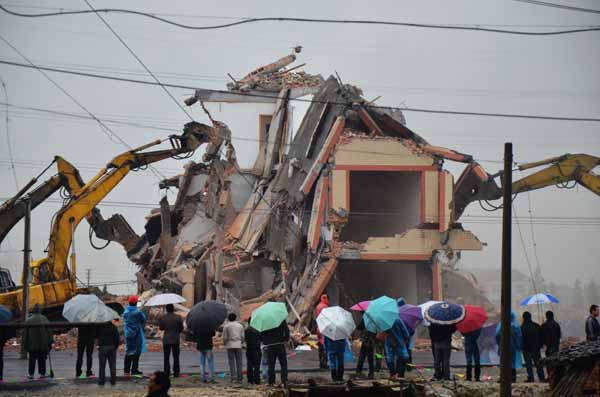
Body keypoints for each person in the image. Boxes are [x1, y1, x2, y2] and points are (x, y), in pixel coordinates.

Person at [22, 304, 53, 379]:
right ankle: (42, 373)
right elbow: (49, 332)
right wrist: (50, 342)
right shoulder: (44, 319)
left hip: (32, 344)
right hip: (43, 344)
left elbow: (25, 334)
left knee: (32, 359)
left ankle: (31, 374)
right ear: (40, 310)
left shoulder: (29, 320)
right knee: (42, 358)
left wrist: (25, 344)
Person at [495, 311, 523, 383]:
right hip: (512, 347)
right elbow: (519, 337)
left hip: (503, 346)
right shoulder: (515, 326)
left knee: (503, 362)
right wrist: (518, 346)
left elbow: (497, 336)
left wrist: (499, 344)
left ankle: (503, 377)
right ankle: (513, 378)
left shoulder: (501, 325)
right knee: (512, 363)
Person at [260, 319, 289, 386]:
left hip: (270, 346)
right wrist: (285, 339)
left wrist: (265, 341)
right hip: (280, 344)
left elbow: (262, 334)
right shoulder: (280, 319)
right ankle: (284, 380)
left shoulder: (266, 321)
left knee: (271, 364)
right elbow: (287, 330)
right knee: (283, 364)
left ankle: (271, 381)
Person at [123, 295, 147, 376]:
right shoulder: (138, 312)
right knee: (137, 352)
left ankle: (126, 371)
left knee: (129, 351)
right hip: (137, 334)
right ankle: (134, 370)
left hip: (128, 334)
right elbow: (144, 319)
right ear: (136, 303)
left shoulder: (125, 312)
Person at [158, 304, 183, 378]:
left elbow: (161, 328)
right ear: (173, 309)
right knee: (176, 357)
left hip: (166, 340)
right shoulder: (178, 317)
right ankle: (176, 372)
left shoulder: (163, 317)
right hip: (175, 339)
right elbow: (181, 329)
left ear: (166, 309)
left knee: (166, 357)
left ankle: (167, 372)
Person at [521, 311, 545, 382]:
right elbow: (541, 337)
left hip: (527, 349)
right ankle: (542, 377)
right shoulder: (536, 326)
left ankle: (531, 378)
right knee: (538, 364)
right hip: (536, 349)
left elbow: (521, 339)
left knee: (529, 365)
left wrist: (522, 347)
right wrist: (540, 345)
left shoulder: (522, 327)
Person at [97, 318, 120, 386]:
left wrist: (99, 345)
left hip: (102, 348)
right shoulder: (113, 327)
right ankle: (113, 381)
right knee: (112, 365)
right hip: (112, 347)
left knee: (102, 366)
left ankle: (101, 381)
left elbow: (96, 336)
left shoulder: (100, 327)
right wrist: (115, 347)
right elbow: (117, 339)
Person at [223, 312, 245, 383]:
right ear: (235, 318)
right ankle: (240, 378)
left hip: (230, 345)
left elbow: (225, 337)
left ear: (228, 318)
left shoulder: (226, 326)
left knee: (231, 362)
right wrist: (241, 342)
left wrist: (225, 343)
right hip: (238, 345)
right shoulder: (240, 326)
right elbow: (243, 337)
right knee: (239, 362)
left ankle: (233, 378)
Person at [245, 318, 262, 385]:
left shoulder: (246, 331)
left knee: (249, 366)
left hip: (249, 350)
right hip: (257, 350)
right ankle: (257, 380)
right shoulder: (258, 331)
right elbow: (262, 339)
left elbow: (244, 339)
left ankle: (250, 380)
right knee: (257, 366)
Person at [315, 294, 329, 369]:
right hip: (324, 329)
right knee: (325, 347)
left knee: (320, 347)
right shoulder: (325, 307)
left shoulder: (318, 306)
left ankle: (321, 363)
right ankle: (324, 364)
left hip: (319, 328)